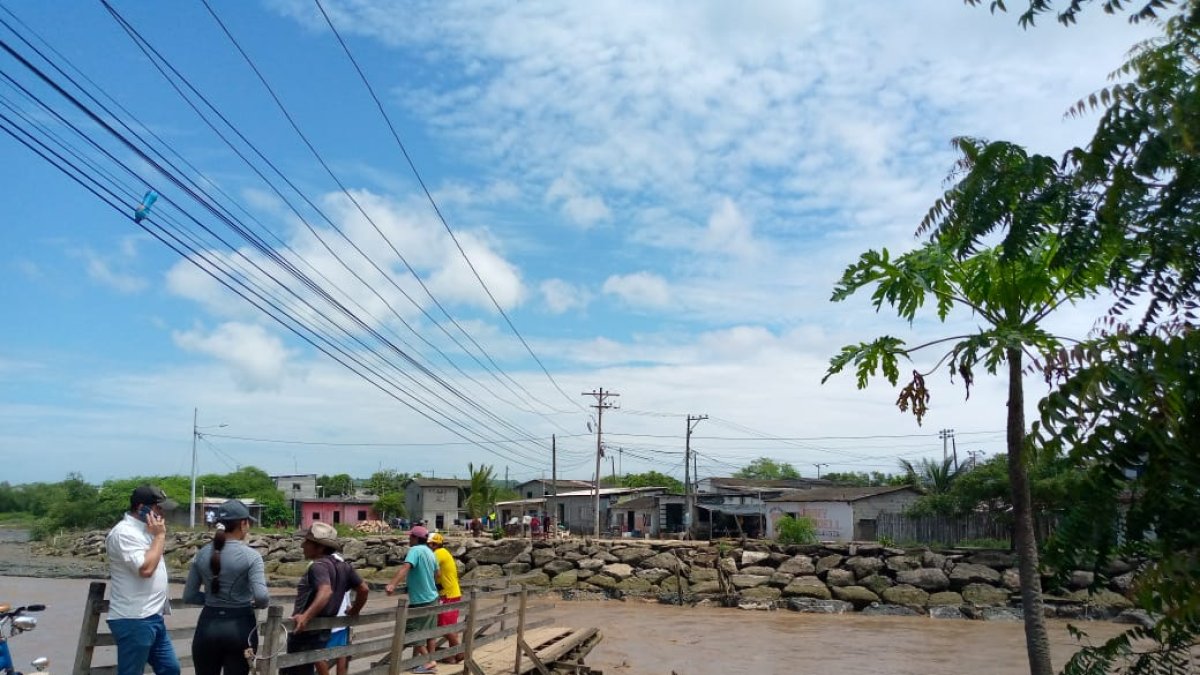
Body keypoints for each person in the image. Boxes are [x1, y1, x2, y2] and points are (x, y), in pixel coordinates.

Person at [183, 499, 269, 675]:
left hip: (207, 626)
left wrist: (211, 598)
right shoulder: (251, 557)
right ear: (243, 524)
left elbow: (189, 596)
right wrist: (249, 602)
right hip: (240, 627)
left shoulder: (201, 554)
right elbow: (262, 597)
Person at [104, 485, 181, 675]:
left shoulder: (147, 531)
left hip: (153, 616)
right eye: (158, 508)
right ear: (141, 508)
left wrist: (156, 535)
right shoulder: (124, 533)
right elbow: (145, 569)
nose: (163, 513)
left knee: (170, 669)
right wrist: (160, 536)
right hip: (134, 618)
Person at [285, 522, 369, 675]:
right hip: (323, 631)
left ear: (320, 547)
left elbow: (326, 591)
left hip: (305, 633)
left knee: (294, 670)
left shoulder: (318, 566)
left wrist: (305, 616)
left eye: (307, 542)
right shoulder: (344, 566)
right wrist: (354, 611)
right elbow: (364, 589)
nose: (303, 545)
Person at [385, 525, 439, 674]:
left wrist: (392, 584)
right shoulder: (430, 552)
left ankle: (430, 661)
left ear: (415, 538)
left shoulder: (414, 551)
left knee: (410, 632)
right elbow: (437, 573)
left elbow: (405, 567)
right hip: (433, 596)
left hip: (421, 599)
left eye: (410, 537)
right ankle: (430, 660)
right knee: (430, 632)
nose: (409, 539)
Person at [426, 533, 462, 664]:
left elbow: (429, 566)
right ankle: (454, 656)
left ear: (434, 544)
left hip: (448, 594)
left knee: (443, 624)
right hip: (452, 592)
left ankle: (460, 650)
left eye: (429, 544)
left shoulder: (439, 553)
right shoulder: (444, 552)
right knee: (450, 625)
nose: (427, 546)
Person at [316, 553, 352, 675]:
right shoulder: (344, 568)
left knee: (317, 653)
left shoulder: (320, 566)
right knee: (341, 652)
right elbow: (348, 600)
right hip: (342, 619)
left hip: (325, 619)